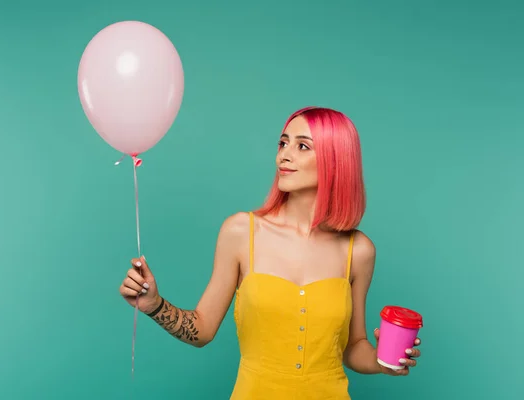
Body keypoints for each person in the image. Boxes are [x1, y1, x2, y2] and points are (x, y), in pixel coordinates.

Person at [119, 106, 422, 399]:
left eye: (303, 146)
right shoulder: (240, 232)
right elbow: (202, 329)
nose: (284, 155)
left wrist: (384, 363)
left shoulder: (359, 251)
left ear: (336, 160)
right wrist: (154, 305)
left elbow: (353, 346)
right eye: (283, 143)